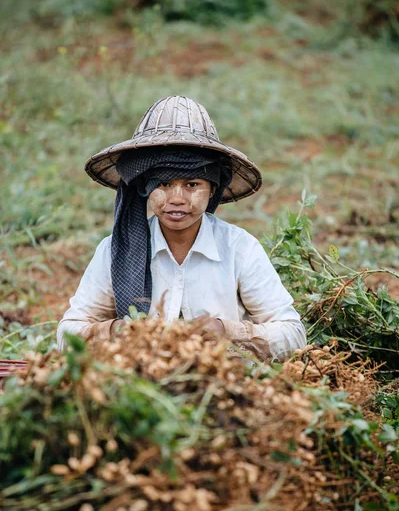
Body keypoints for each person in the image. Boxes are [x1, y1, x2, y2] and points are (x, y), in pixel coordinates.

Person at [57, 96, 306, 361]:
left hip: (223, 385)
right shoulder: (116, 251)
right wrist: (118, 330)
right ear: (145, 188)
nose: (177, 198)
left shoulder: (239, 249)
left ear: (212, 189)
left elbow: (292, 333)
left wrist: (225, 331)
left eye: (192, 185)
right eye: (163, 184)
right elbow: (67, 333)